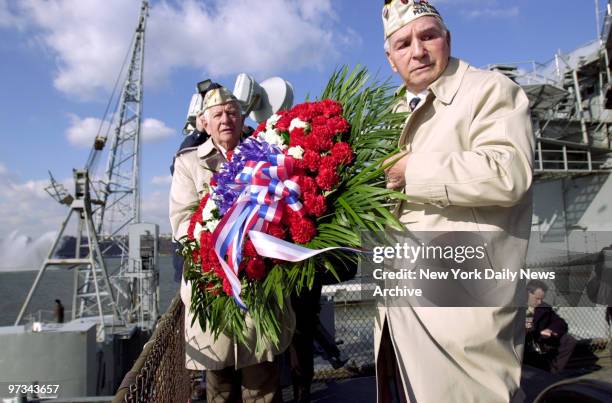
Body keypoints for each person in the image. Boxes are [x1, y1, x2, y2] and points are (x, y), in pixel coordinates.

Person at [378, 1, 534, 402]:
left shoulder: (489, 90)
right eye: (403, 43)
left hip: (464, 316)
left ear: (447, 39)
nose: (418, 50)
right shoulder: (387, 114)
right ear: (391, 58)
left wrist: (412, 171)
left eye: (428, 36)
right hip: (402, 310)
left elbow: (509, 172)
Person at [169, 86, 295, 402]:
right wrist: (218, 236)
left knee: (262, 386)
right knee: (219, 387)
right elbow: (180, 222)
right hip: (212, 288)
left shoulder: (264, 154)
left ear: (242, 119)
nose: (226, 119)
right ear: (205, 123)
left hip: (258, 282)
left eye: (232, 113)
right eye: (218, 114)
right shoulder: (188, 163)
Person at [524, 280, 576, 374]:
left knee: (568, 340)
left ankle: (553, 372)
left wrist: (550, 329)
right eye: (537, 298)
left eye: (541, 299)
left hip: (540, 340)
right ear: (528, 293)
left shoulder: (544, 307)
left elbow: (561, 323)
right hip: (522, 341)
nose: (539, 302)